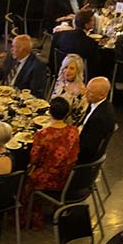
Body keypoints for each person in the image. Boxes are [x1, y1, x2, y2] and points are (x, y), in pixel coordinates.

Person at [23, 97, 82, 227]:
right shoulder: (73, 131)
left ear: (49, 112)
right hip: (67, 176)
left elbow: (34, 159)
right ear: (67, 113)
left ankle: (30, 215)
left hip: (47, 179)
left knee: (25, 177)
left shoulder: (43, 134)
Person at [77, 78, 115, 164]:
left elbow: (87, 150)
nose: (85, 93)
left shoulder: (100, 118)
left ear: (101, 95)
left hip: (82, 157)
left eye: (90, 92)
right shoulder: (99, 104)